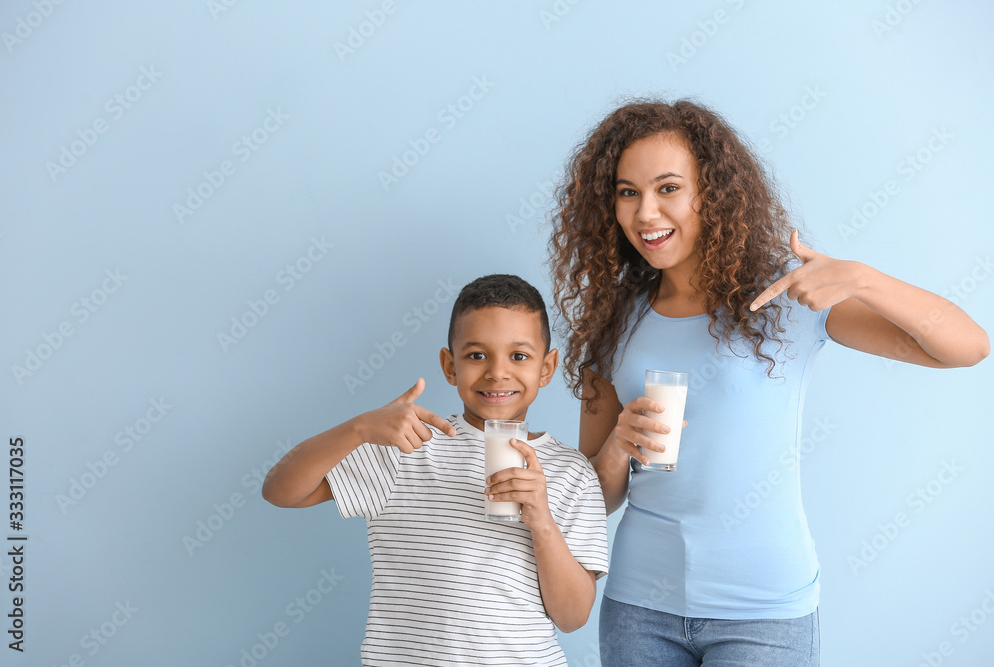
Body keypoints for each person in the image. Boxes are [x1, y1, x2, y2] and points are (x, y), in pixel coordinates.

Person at [548, 98, 989, 666]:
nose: (646, 213)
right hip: (640, 608)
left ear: (711, 192)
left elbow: (966, 347)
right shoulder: (614, 317)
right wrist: (615, 447)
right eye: (627, 192)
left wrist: (861, 278)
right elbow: (593, 499)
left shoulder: (787, 299)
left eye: (667, 188)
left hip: (764, 613)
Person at [261, 274, 609, 666]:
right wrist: (358, 429)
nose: (497, 372)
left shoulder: (571, 472)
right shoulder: (406, 444)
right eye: (477, 355)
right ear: (449, 365)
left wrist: (542, 522)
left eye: (519, 356)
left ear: (546, 368)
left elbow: (573, 617)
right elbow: (280, 490)